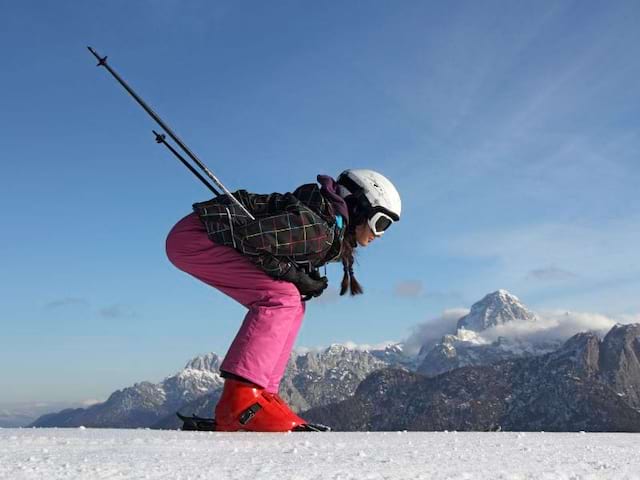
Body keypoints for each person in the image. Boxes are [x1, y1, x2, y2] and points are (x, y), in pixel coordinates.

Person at [165, 169, 401, 432]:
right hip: (195, 237)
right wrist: (294, 276)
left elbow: (270, 243)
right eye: (380, 223)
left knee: (294, 303)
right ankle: (242, 401)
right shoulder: (317, 228)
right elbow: (251, 239)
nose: (378, 235)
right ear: (358, 206)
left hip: (199, 235)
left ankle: (264, 395)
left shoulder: (325, 226)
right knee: (282, 297)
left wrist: (299, 275)